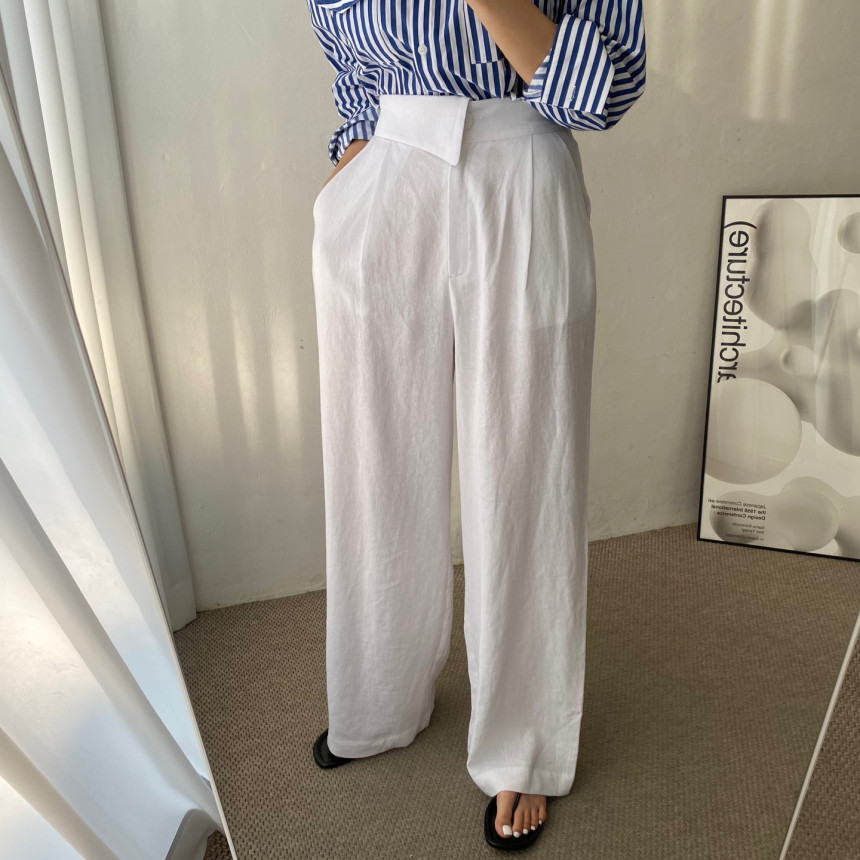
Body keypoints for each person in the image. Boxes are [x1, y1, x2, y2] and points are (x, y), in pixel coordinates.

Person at [306, 0, 645, 850]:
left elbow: (598, 92)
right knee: (373, 462)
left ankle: (522, 744)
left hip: (519, 166)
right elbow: (352, 68)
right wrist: (350, 165)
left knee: (525, 469)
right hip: (385, 184)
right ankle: (378, 698)